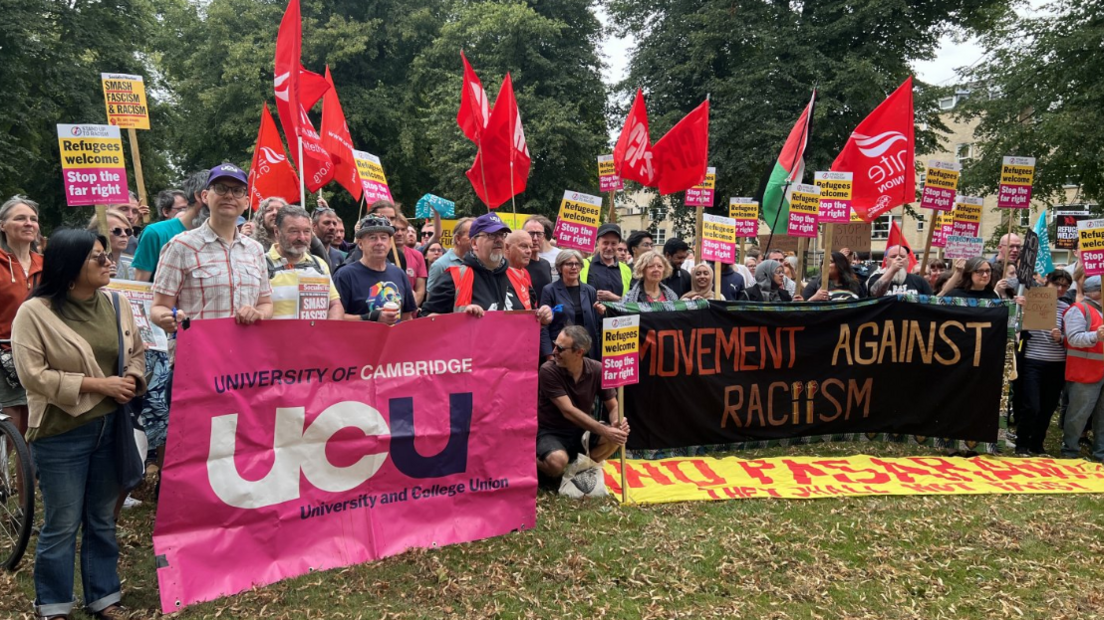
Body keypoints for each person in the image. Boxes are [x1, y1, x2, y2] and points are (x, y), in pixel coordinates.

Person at [11, 229, 147, 620]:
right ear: (70, 267)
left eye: (107, 256)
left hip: (111, 428)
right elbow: (33, 375)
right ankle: (53, 605)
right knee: (62, 523)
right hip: (61, 433)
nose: (109, 263)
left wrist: (133, 380)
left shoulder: (117, 304)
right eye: (98, 258)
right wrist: (96, 385)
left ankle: (104, 598)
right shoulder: (34, 313)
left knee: (102, 519)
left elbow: (135, 351)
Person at [150, 163, 273, 329]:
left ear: (246, 203)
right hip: (198, 351)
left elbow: (265, 303)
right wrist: (166, 317)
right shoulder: (181, 246)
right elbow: (158, 306)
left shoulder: (255, 250)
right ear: (205, 196)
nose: (229, 196)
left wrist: (259, 314)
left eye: (237, 191)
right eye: (221, 188)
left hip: (244, 351)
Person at [422, 213, 552, 323]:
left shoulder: (520, 277)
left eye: (502, 235)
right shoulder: (454, 278)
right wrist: (460, 318)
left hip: (515, 353)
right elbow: (426, 321)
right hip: (471, 352)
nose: (499, 240)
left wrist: (543, 317)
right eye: (491, 235)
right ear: (474, 243)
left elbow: (530, 320)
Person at [536, 326, 628, 481]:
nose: (554, 351)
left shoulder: (597, 369)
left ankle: (578, 471)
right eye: (555, 344)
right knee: (557, 462)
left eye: (560, 348)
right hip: (551, 432)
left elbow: (613, 406)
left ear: (579, 352)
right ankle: (528, 461)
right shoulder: (548, 370)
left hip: (582, 431)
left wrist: (617, 421)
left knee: (617, 437)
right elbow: (568, 411)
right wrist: (605, 430)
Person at [1014, 269, 1071, 455]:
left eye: (1065, 286)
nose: (1060, 289)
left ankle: (1037, 445)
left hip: (1057, 364)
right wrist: (1019, 309)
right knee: (1031, 405)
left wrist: (1060, 337)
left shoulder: (1067, 308)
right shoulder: (1030, 300)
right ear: (1047, 282)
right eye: (1057, 284)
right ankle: (1021, 443)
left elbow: (1071, 337)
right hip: (1032, 361)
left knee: (1047, 408)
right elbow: (1014, 327)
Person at [0, 196, 44, 436]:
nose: (29, 223)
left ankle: (26, 476)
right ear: (2, 225)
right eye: (20, 218)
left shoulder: (47, 264)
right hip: (3, 353)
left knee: (33, 430)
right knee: (12, 428)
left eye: (33, 219)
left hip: (40, 354)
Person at [334, 215, 416, 324]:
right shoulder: (345, 275)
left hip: (394, 340)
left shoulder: (399, 274)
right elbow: (334, 319)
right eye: (372, 237)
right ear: (360, 244)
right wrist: (370, 317)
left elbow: (407, 317)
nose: (379, 242)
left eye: (383, 237)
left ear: (390, 243)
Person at [266, 205, 344, 320]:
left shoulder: (320, 265)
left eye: (307, 231)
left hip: (315, 337)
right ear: (277, 232)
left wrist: (328, 330)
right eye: (294, 231)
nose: (302, 238)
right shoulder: (260, 264)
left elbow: (335, 305)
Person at [131, 170, 210, 282]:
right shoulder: (155, 233)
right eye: (220, 194)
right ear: (201, 196)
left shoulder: (221, 236)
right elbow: (140, 285)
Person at [1062, 275, 1104, 462]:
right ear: (1096, 291)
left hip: (1098, 371)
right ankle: (1069, 451)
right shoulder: (1078, 310)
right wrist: (1096, 335)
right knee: (1078, 414)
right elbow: (1073, 338)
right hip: (1085, 371)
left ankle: (1100, 454)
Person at [539, 250, 601, 361]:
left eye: (577, 264)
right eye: (569, 264)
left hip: (587, 352)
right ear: (559, 268)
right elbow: (544, 326)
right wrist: (549, 354)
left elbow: (596, 323)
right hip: (561, 352)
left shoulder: (590, 290)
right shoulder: (549, 290)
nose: (574, 267)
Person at [581, 223, 632, 302]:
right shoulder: (583, 265)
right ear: (598, 242)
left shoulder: (626, 270)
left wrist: (615, 298)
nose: (609, 248)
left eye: (613, 243)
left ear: (618, 244)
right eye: (605, 243)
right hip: (592, 314)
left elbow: (632, 302)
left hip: (620, 314)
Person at [388, 215, 428, 306]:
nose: (399, 233)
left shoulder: (417, 255)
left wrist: (410, 308)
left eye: (403, 229)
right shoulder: (382, 255)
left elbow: (420, 290)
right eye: (396, 229)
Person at [426, 217, 474, 293]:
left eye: (478, 236)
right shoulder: (439, 265)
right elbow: (431, 300)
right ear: (458, 239)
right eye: (471, 235)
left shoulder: (478, 263)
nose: (476, 240)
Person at [86, 209, 137, 281]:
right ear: (98, 232)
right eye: (117, 231)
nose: (124, 234)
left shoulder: (131, 268)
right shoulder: (84, 268)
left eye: (128, 231)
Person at [867, 245, 932, 296]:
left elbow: (931, 304)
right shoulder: (876, 278)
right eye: (893, 257)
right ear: (886, 261)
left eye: (902, 257)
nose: (898, 259)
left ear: (908, 260)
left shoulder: (919, 281)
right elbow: (875, 294)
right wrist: (892, 270)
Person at [802, 252, 867, 301]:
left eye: (829, 262)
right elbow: (802, 310)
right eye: (823, 262)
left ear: (840, 265)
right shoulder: (814, 285)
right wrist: (814, 298)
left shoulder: (855, 285)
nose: (824, 265)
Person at [504, 230, 537, 310]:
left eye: (530, 247)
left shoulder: (524, 272)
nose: (529, 251)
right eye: (523, 246)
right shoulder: (497, 274)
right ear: (507, 247)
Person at [524, 215, 560, 280]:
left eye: (539, 234)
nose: (535, 238)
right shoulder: (518, 263)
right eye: (531, 234)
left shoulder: (546, 264)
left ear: (544, 237)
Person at [312, 206, 345, 272]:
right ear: (314, 226)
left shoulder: (338, 256)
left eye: (334, 223)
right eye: (327, 223)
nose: (332, 227)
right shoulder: (305, 254)